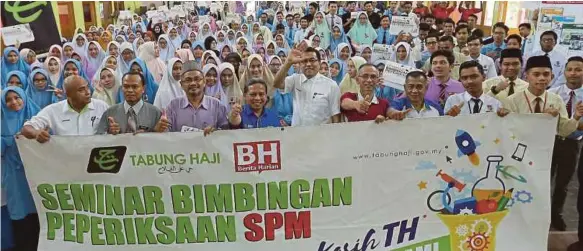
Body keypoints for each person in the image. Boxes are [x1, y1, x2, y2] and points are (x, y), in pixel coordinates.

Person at [1, 86, 41, 251]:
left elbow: (51, 138)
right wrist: (8, 140)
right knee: (21, 219)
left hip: (37, 174)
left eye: (17, 98)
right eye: (8, 99)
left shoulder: (37, 116)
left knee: (41, 213)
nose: (13, 102)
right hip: (15, 178)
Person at [505, 56, 583, 138]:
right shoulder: (513, 100)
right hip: (518, 146)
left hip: (547, 148)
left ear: (551, 77)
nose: (542, 78)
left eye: (546, 74)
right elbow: (507, 130)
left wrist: (576, 117)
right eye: (536, 74)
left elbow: (563, 131)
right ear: (526, 76)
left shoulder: (556, 100)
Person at [547, 56, 583, 231]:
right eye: (570, 69)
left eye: (578, 70)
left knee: (563, 183)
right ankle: (542, 213)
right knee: (545, 180)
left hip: (572, 144)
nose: (573, 73)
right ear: (565, 72)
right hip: (550, 142)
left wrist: (573, 123)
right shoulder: (553, 93)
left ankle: (556, 214)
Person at [21, 76, 109, 141]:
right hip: (67, 162)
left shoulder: (102, 106)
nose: (88, 92)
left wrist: (113, 129)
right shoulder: (53, 110)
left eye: (87, 87)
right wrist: (36, 133)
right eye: (81, 90)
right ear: (68, 95)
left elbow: (114, 129)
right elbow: (27, 128)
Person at [274, 46, 341, 126]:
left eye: (312, 60)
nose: (308, 64)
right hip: (297, 135)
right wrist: (288, 63)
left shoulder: (331, 85)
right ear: (300, 64)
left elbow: (335, 116)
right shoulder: (295, 79)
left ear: (319, 63)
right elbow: (277, 84)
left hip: (321, 136)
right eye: (304, 61)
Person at [165, 61, 229, 134]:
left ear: (204, 81)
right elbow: (166, 133)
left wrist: (215, 132)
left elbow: (225, 133)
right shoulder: (173, 106)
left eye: (197, 79)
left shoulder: (217, 105)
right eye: (188, 80)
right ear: (181, 84)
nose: (193, 83)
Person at [97, 72, 167, 134]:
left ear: (143, 89)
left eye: (134, 87)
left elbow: (164, 141)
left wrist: (152, 133)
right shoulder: (110, 113)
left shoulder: (155, 113)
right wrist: (110, 133)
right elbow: (99, 139)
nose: (130, 90)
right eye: (126, 86)